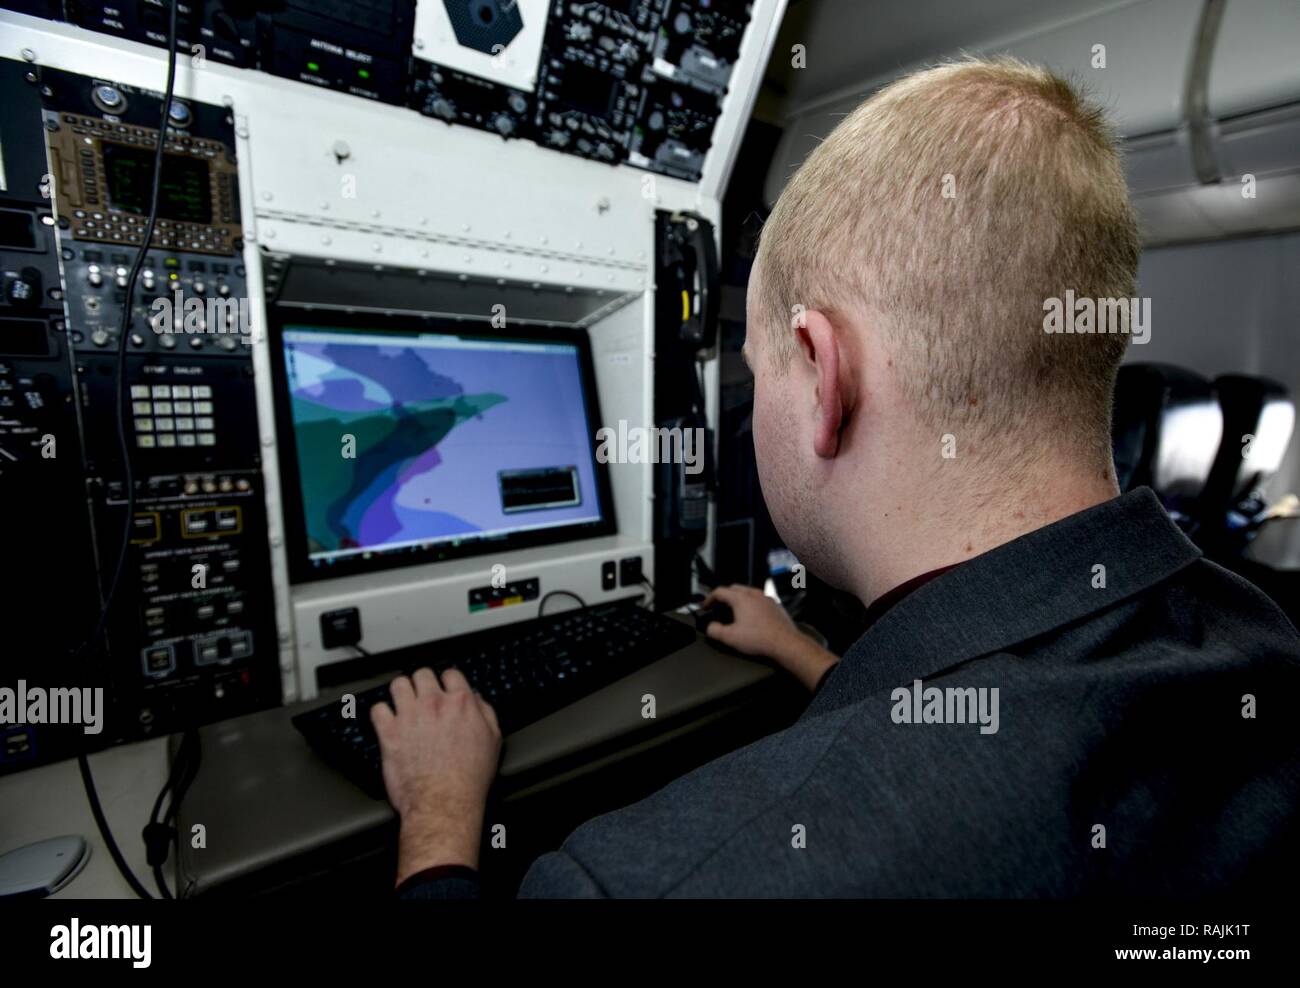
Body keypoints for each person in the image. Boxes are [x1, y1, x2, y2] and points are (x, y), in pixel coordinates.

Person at [371, 57, 1300, 898]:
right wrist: (805, 654)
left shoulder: (652, 881)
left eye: (760, 363)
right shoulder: (1257, 633)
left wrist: (441, 817)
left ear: (824, 376)